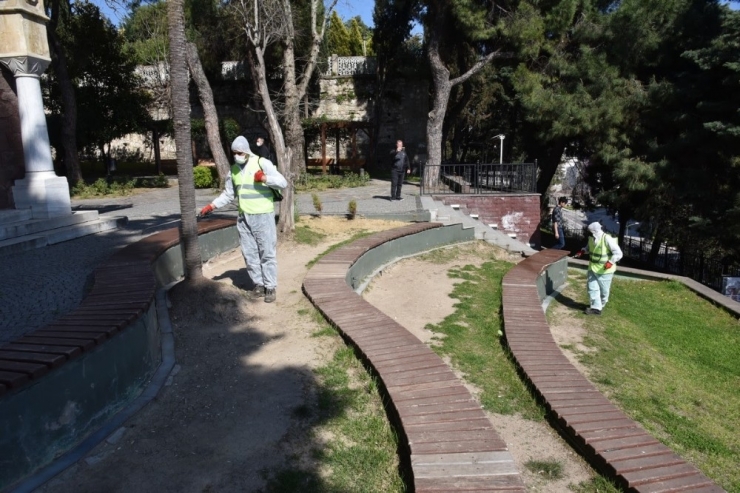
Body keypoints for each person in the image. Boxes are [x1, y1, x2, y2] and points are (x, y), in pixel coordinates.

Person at [199, 136, 287, 303]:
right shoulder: (233, 170)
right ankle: (259, 284)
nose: (236, 156)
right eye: (234, 153)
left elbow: (283, 183)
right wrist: (212, 205)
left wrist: (265, 179)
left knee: (266, 253)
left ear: (246, 152)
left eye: (239, 153)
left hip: (263, 216)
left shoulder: (262, 163)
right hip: (244, 217)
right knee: (249, 252)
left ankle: (270, 287)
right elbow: (228, 194)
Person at [574, 222, 623, 315]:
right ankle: (596, 308)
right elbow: (588, 248)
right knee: (592, 288)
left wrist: (611, 262)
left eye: (589, 232)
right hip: (592, 267)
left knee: (604, 291)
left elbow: (618, 253)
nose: (588, 233)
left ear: (594, 231)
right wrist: (583, 251)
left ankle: (601, 304)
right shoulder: (591, 239)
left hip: (605, 270)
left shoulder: (607, 238)